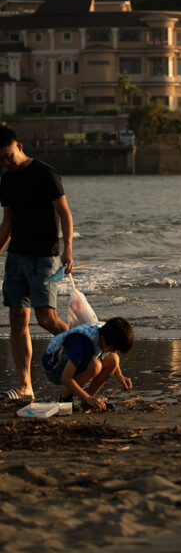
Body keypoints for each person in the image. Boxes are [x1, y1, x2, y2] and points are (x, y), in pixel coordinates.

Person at [0, 127, 74, 403]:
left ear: (19, 146)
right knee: (17, 318)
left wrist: (68, 249)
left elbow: (64, 213)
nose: (7, 163)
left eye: (9, 156)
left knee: (46, 320)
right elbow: (7, 222)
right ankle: (24, 385)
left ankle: (91, 347)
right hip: (16, 257)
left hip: (44, 257)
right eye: (2, 160)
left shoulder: (45, 173)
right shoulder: (6, 180)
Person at [42, 317, 134, 412]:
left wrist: (119, 376)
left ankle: (89, 398)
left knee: (114, 359)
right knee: (95, 366)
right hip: (55, 368)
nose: (114, 351)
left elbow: (112, 354)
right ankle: (65, 397)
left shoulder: (107, 331)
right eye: (112, 348)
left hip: (73, 359)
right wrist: (86, 397)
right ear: (103, 338)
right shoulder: (83, 344)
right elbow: (65, 378)